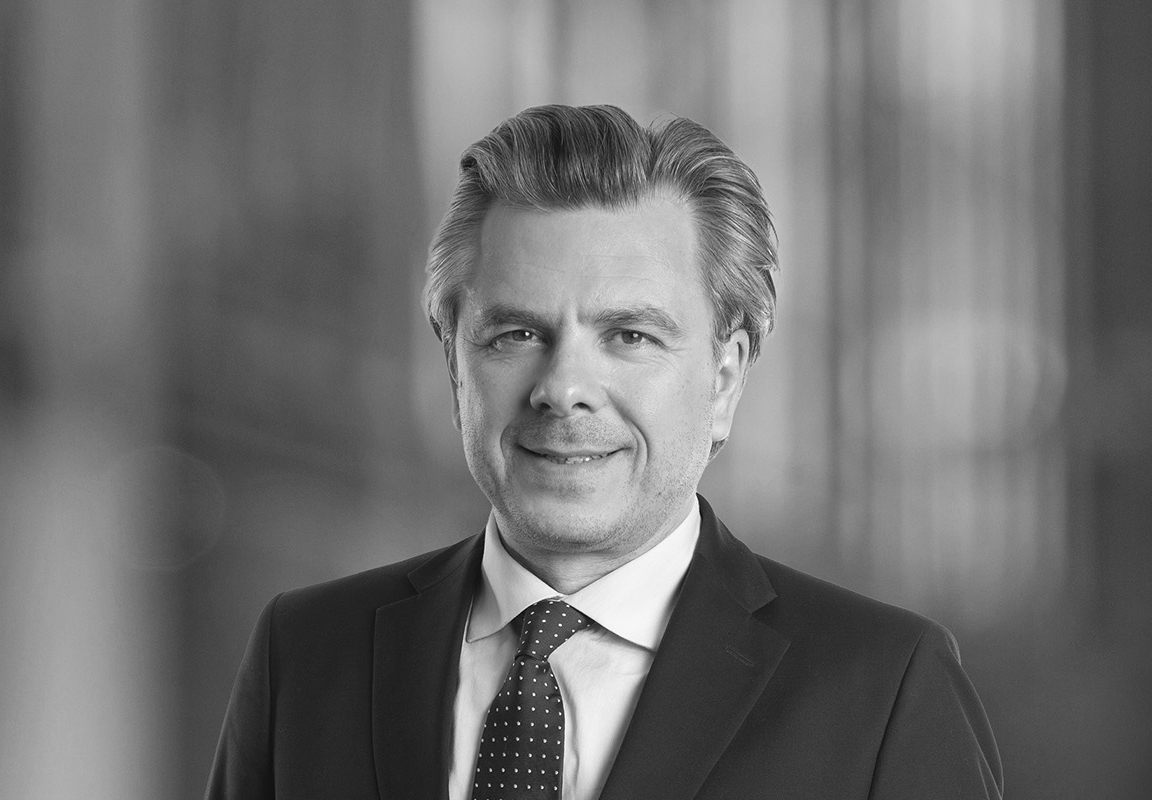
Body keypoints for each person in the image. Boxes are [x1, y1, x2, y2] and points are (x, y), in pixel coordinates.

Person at [205, 104, 1003, 800]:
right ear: (453, 363)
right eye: (517, 334)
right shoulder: (306, 657)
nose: (563, 389)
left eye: (629, 336)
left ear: (724, 378)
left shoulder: (883, 690)